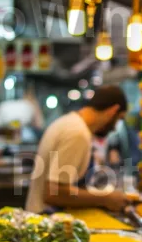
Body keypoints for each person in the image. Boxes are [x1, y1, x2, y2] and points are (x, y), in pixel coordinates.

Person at [25, 85, 129, 213]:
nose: (114, 128)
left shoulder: (71, 123)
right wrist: (106, 198)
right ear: (113, 110)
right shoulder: (77, 133)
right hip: (47, 220)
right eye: (118, 119)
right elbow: (53, 193)